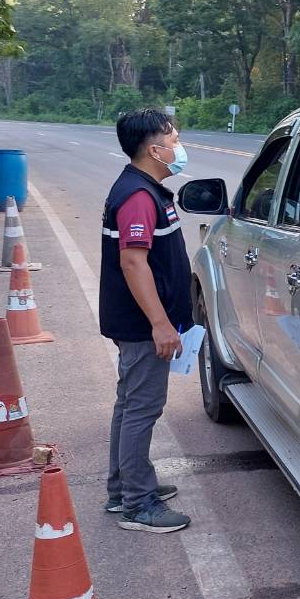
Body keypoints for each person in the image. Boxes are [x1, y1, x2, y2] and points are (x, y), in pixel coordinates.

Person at [99, 109, 194, 533]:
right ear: (154, 150)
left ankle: (123, 487)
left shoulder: (146, 190)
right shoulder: (138, 196)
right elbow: (134, 262)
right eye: (173, 138)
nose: (179, 145)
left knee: (129, 404)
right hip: (142, 325)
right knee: (142, 407)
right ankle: (138, 503)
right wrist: (160, 323)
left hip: (139, 321)